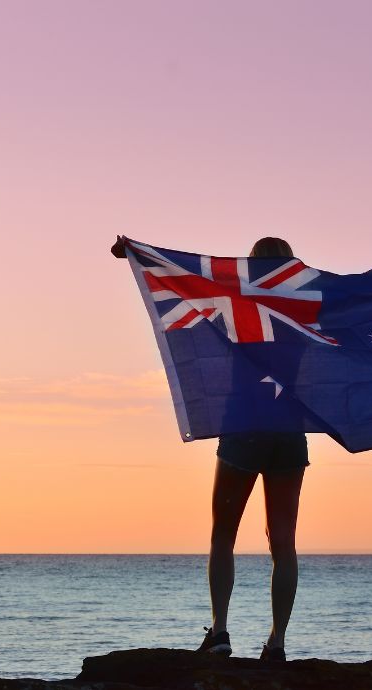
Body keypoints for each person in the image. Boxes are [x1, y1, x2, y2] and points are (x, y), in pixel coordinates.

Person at [110, 235, 307, 662]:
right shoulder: (307, 312)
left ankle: (219, 631)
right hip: (289, 430)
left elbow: (186, 284)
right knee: (284, 543)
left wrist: (139, 256)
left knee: (223, 535)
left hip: (243, 427)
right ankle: (277, 644)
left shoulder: (235, 303)